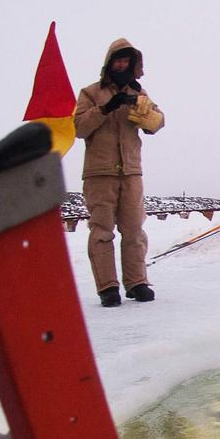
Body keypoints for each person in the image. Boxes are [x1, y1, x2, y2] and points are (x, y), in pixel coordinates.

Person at [73, 38, 164, 307]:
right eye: (118, 60)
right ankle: (108, 287)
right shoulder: (90, 93)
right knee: (102, 231)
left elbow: (157, 123)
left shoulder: (140, 93)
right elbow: (78, 128)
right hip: (99, 173)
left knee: (134, 229)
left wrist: (139, 107)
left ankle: (137, 282)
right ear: (110, 62)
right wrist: (106, 108)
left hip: (131, 172)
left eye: (127, 60)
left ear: (133, 64)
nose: (122, 64)